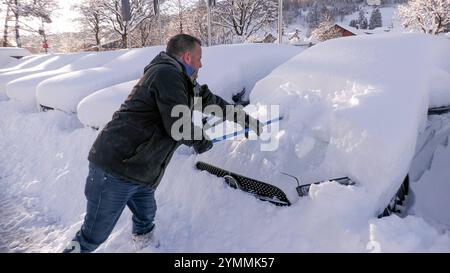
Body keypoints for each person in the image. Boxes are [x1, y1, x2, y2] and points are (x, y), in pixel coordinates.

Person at [64, 34, 263, 253]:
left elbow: (212, 102)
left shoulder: (182, 81)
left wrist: (246, 119)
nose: (201, 63)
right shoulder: (166, 75)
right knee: (93, 236)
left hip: (141, 171)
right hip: (115, 170)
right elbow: (179, 125)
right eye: (199, 57)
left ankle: (144, 246)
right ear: (187, 57)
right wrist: (202, 141)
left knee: (145, 217)